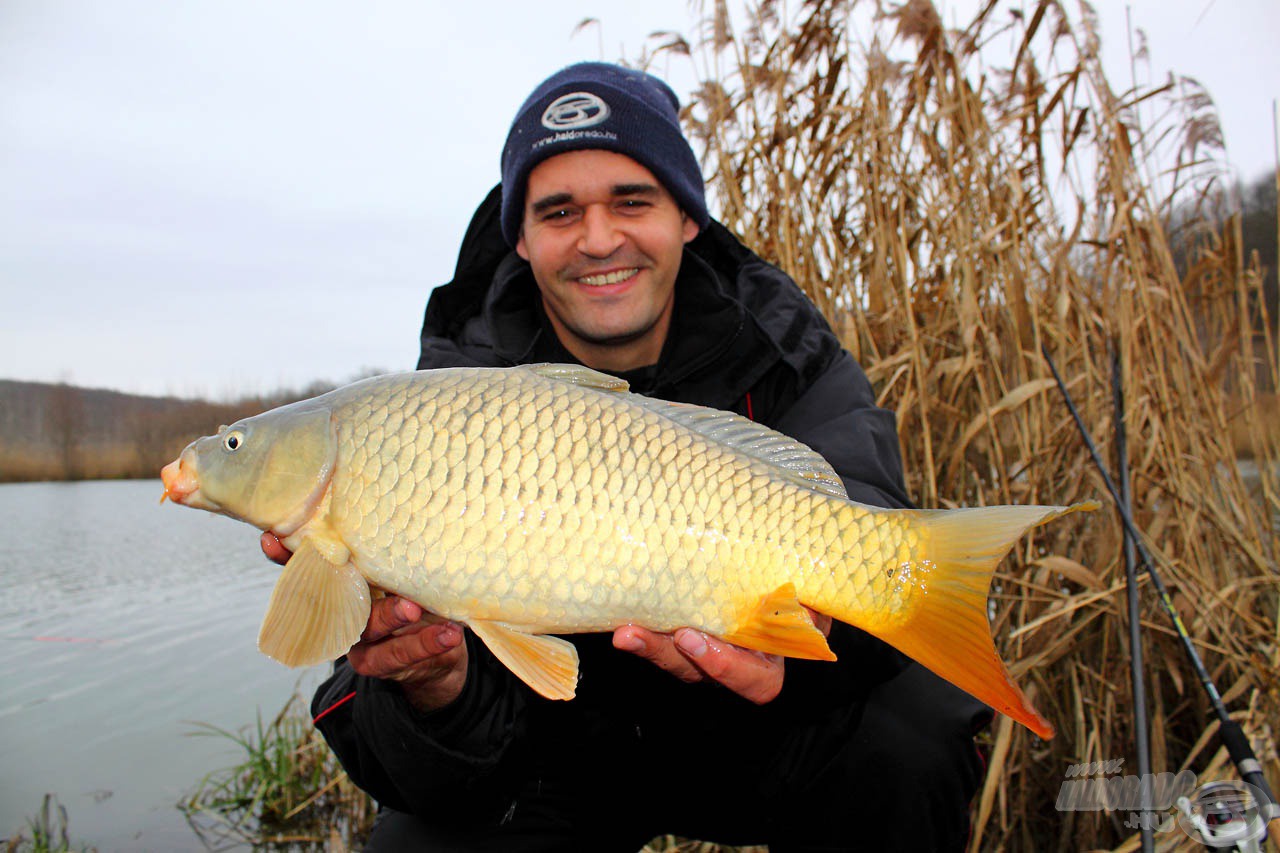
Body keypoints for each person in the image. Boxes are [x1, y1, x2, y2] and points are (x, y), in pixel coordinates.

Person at [265, 62, 991, 851]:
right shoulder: (439, 408)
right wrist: (435, 689)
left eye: (632, 201)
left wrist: (815, 653)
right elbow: (374, 723)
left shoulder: (782, 345)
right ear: (521, 236)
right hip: (547, 758)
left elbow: (866, 501)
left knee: (916, 729)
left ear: (685, 215)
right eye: (561, 211)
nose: (599, 237)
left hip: (751, 735)